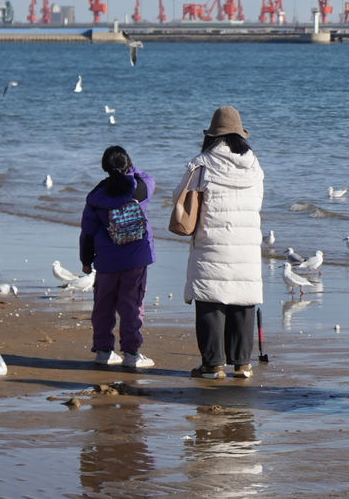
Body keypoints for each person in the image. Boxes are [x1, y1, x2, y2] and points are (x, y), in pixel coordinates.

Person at [174, 106, 264, 379]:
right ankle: (242, 364)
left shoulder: (201, 163)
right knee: (243, 298)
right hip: (246, 241)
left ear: (212, 136)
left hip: (212, 240)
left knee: (210, 299)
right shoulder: (254, 164)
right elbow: (259, 200)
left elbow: (180, 197)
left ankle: (212, 365)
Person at [80, 145, 156, 369]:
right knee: (132, 304)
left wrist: (86, 261)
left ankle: (104, 351)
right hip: (135, 258)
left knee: (103, 305)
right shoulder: (139, 189)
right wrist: (131, 168)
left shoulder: (96, 196)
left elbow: (87, 231)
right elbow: (149, 178)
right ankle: (131, 353)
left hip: (106, 259)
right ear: (128, 164)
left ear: (104, 167)